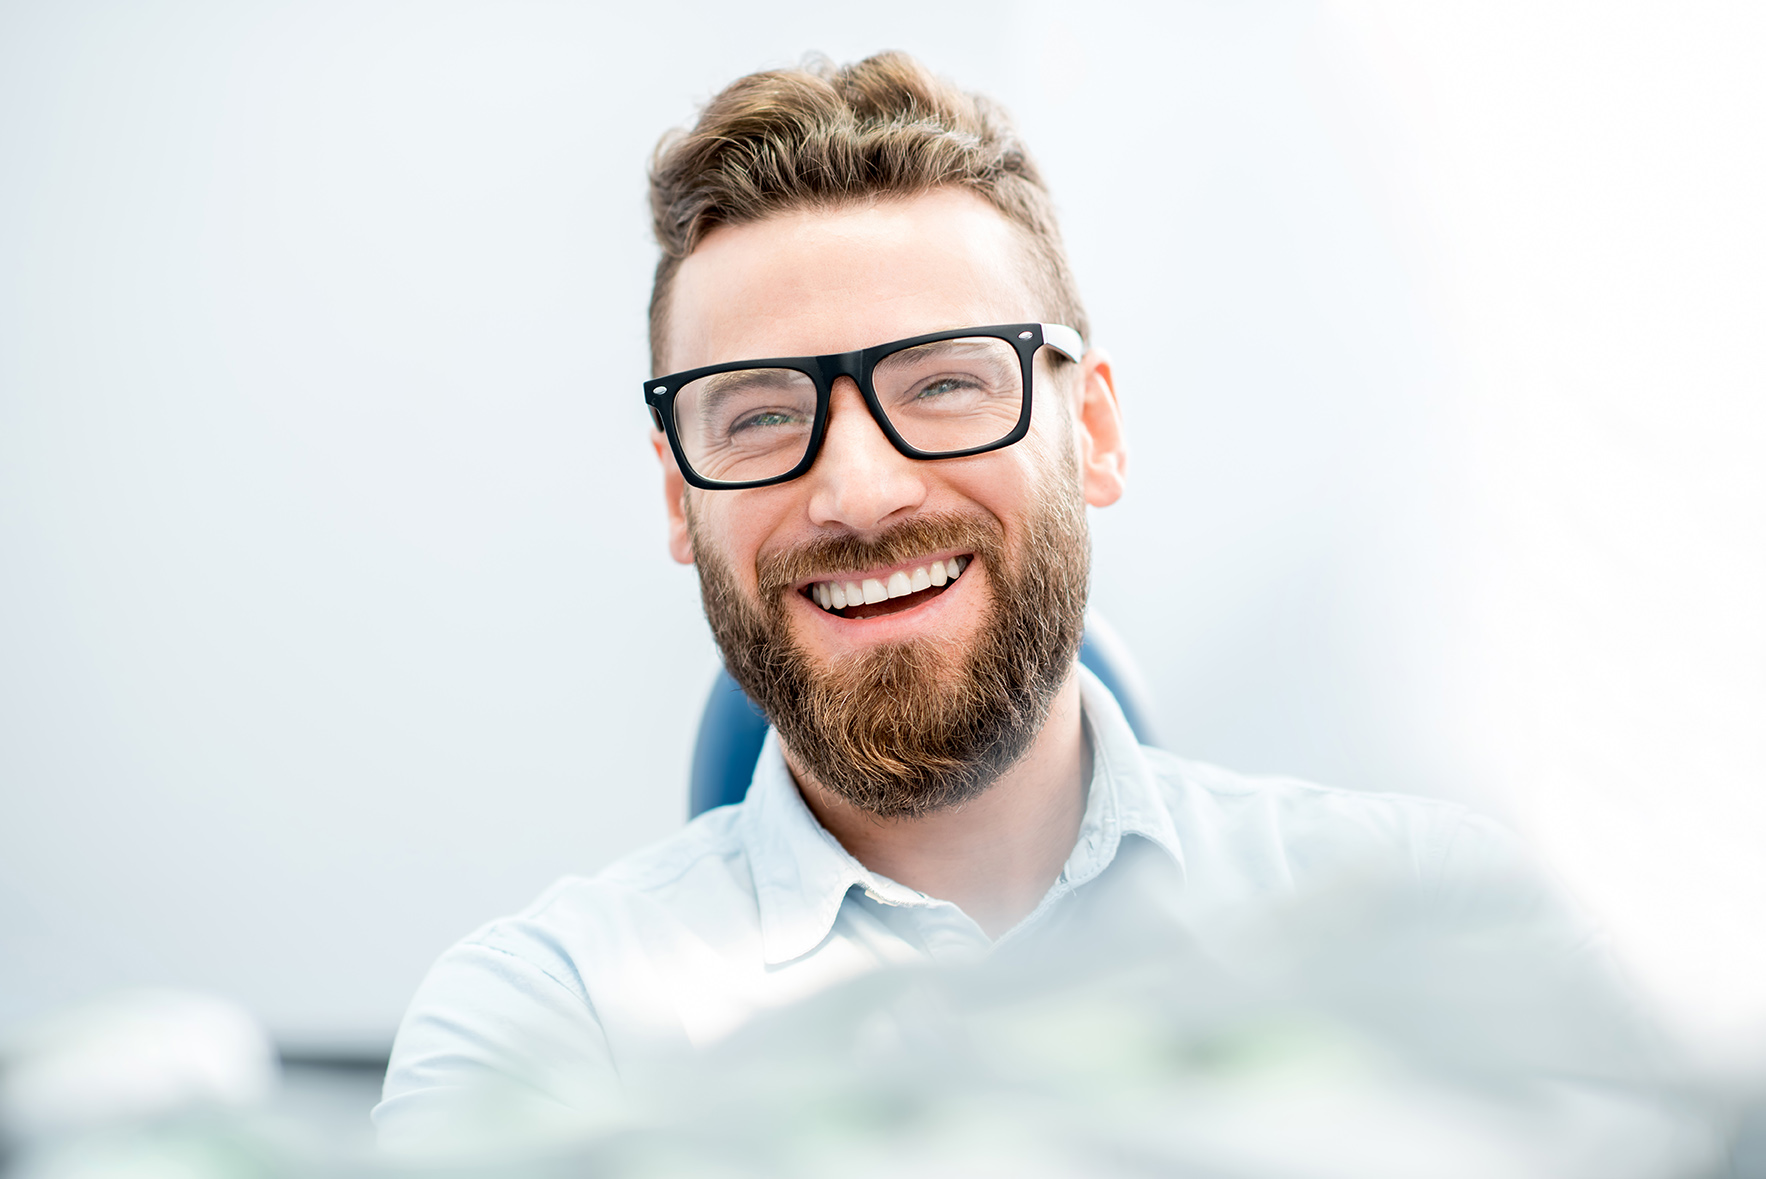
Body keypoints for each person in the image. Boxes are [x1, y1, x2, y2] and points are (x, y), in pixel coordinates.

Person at [371, 52, 1610, 1154]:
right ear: (675, 495)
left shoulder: (1433, 925)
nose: (856, 491)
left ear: (1096, 430)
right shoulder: (545, 1028)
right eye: (756, 416)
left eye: (950, 383)